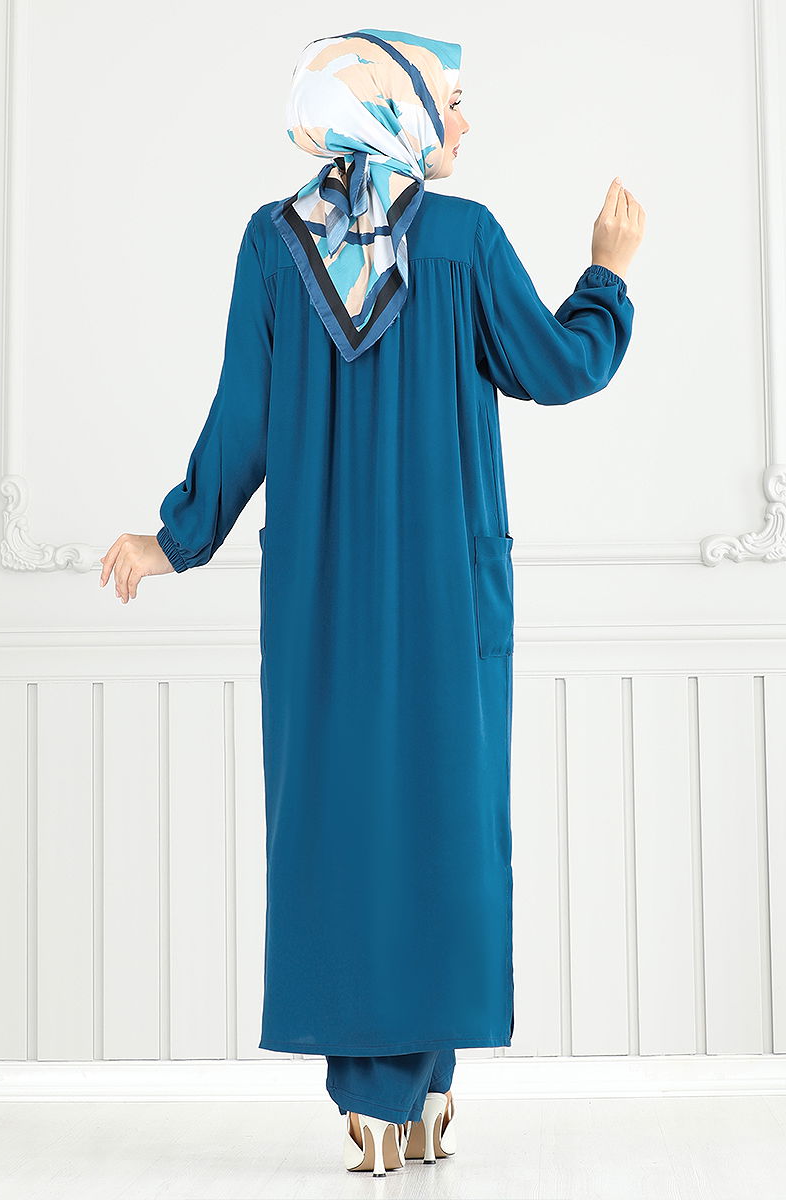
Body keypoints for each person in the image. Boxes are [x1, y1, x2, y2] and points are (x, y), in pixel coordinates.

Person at [99, 29, 644, 1178]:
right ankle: (416, 1094)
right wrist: (607, 273)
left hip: (322, 590)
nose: (464, 121)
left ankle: (384, 1102)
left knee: (345, 822)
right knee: (439, 822)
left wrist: (180, 535)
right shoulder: (462, 239)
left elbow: (242, 418)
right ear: (388, 109)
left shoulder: (273, 242)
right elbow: (558, 366)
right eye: (448, 99)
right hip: (446, 586)